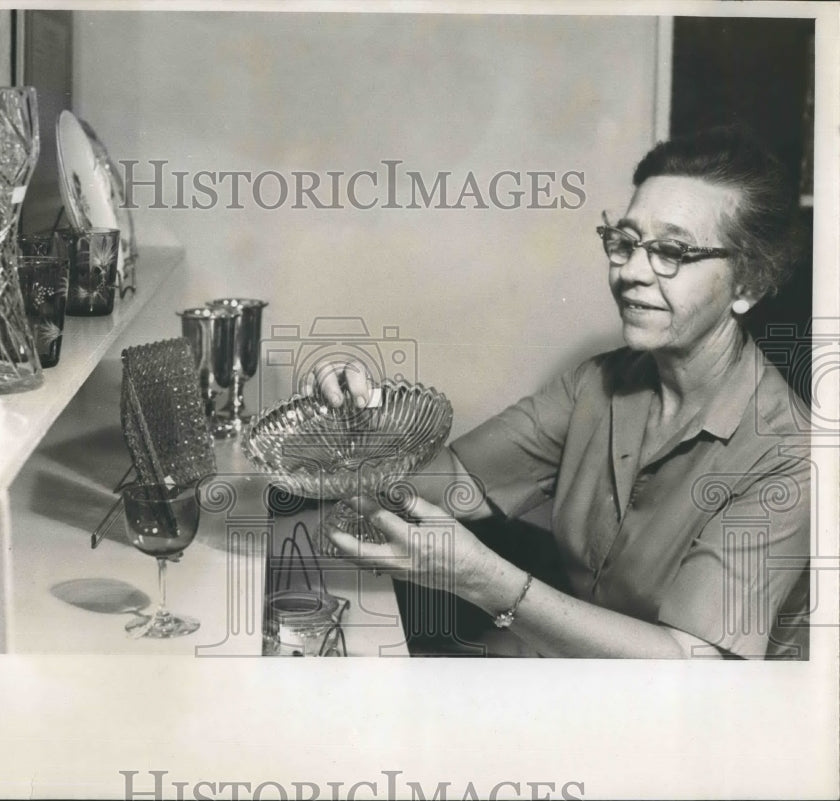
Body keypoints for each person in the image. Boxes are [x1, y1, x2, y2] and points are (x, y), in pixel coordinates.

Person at [309, 126, 811, 659]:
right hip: (575, 675)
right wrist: (362, 422)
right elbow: (458, 485)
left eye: (672, 252)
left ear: (749, 284)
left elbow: (693, 669)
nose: (631, 273)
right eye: (625, 242)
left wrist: (487, 582)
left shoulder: (791, 457)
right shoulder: (599, 383)